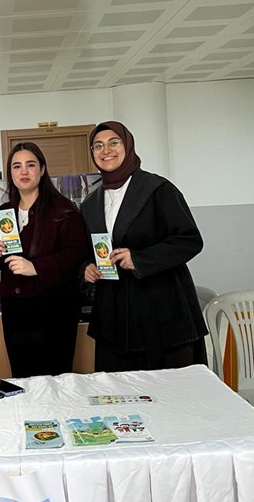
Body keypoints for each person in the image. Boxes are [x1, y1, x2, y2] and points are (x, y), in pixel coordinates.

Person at [81, 120, 207, 373]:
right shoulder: (91, 202)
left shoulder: (158, 189)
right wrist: (87, 267)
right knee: (120, 391)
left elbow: (190, 240)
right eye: (98, 146)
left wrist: (139, 259)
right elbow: (88, 249)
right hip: (114, 318)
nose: (106, 150)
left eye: (114, 142)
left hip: (161, 312)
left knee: (168, 390)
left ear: (128, 146)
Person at [0, 141, 90, 378]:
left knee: (56, 377)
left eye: (30, 165)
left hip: (54, 308)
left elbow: (77, 254)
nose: (24, 171)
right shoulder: (4, 212)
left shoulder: (64, 210)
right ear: (10, 174)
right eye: (17, 166)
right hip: (15, 309)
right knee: (22, 376)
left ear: (42, 169)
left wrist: (36, 267)